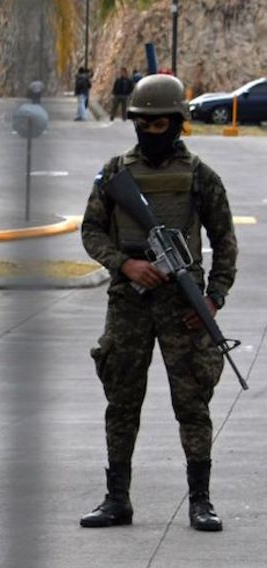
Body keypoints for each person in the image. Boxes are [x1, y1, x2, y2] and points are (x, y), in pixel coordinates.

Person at [79, 73, 238, 532]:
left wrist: (214, 298)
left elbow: (224, 241)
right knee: (122, 401)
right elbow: (91, 230)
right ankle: (116, 498)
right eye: (143, 124)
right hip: (129, 303)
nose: (151, 132)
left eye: (160, 124)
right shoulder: (115, 174)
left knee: (192, 403)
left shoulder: (201, 176)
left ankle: (201, 500)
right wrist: (124, 265)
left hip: (182, 308)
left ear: (177, 123)